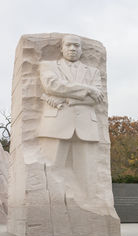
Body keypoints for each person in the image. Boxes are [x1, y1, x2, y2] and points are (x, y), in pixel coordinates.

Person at [37, 34, 105, 203]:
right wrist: (85, 88)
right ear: (61, 48)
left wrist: (68, 99)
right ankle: (51, 205)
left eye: (76, 46)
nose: (73, 49)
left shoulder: (94, 72)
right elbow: (51, 85)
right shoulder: (48, 65)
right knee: (50, 169)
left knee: (87, 174)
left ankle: (87, 207)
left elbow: (96, 98)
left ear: (82, 49)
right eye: (68, 45)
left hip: (86, 127)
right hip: (56, 124)